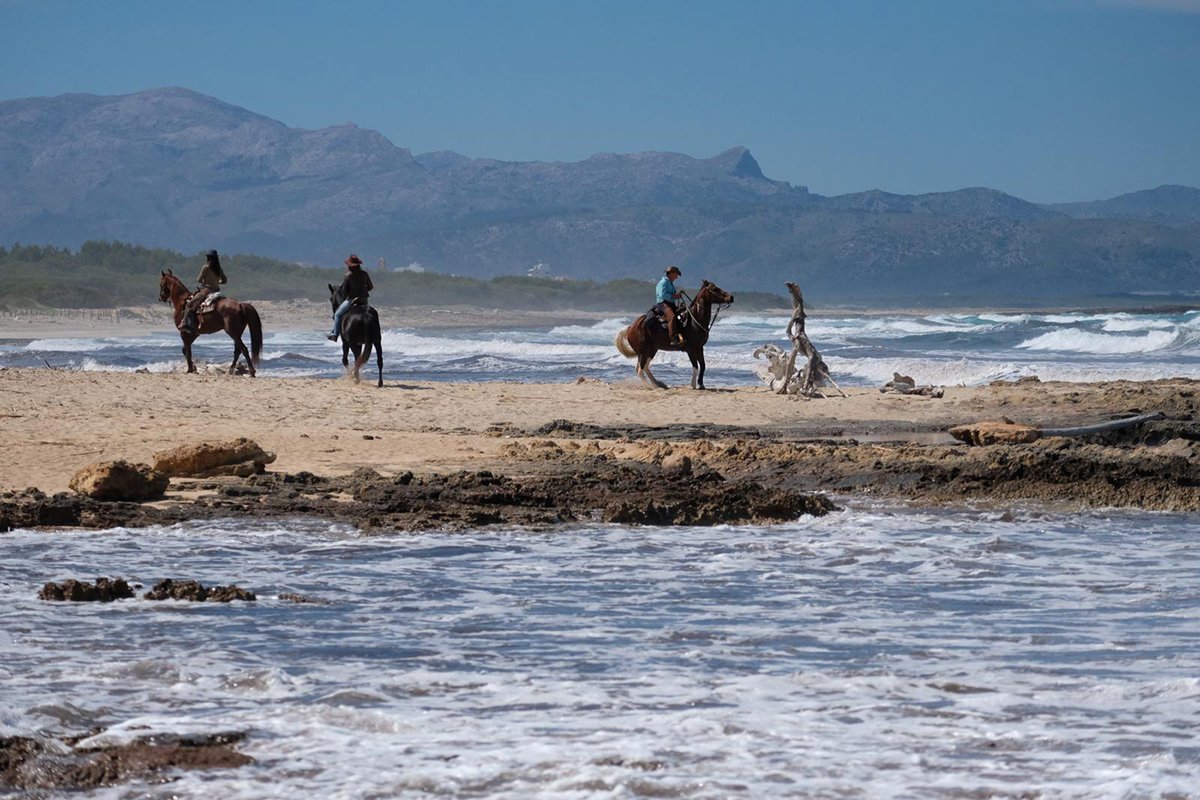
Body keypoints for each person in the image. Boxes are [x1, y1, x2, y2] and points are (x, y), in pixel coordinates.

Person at [328, 254, 374, 341]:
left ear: (349, 266)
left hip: (352, 300)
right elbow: (371, 287)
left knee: (337, 314)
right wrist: (364, 290)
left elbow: (344, 292)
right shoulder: (365, 274)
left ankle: (335, 334)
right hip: (364, 300)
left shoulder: (348, 275)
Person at [181, 249, 227, 335]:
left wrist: (204, 282)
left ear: (208, 258)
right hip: (216, 290)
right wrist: (217, 282)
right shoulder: (218, 269)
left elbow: (199, 279)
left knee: (189, 305)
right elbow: (224, 280)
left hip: (207, 290)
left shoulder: (206, 267)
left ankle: (188, 325)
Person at [655, 265, 686, 346]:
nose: (677, 277)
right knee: (672, 317)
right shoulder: (664, 282)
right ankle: (673, 338)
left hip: (669, 303)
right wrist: (675, 296)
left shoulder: (670, 283)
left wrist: (677, 295)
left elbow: (671, 295)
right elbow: (663, 295)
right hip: (663, 304)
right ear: (671, 274)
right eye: (676, 275)